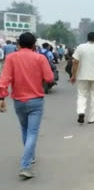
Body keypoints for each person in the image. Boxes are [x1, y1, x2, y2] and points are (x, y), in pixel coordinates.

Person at [0, 32, 54, 179]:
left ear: (19, 44)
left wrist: (1, 97)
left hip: (18, 101)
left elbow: (4, 79)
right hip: (35, 100)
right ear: (33, 44)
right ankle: (25, 165)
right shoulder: (40, 58)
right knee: (32, 132)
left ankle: (30, 156)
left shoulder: (11, 58)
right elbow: (49, 78)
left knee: (25, 129)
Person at [70, 32, 94, 124]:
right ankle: (92, 119)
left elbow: (75, 62)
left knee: (82, 95)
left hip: (82, 76)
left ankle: (81, 112)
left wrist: (73, 75)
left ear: (87, 38)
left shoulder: (80, 47)